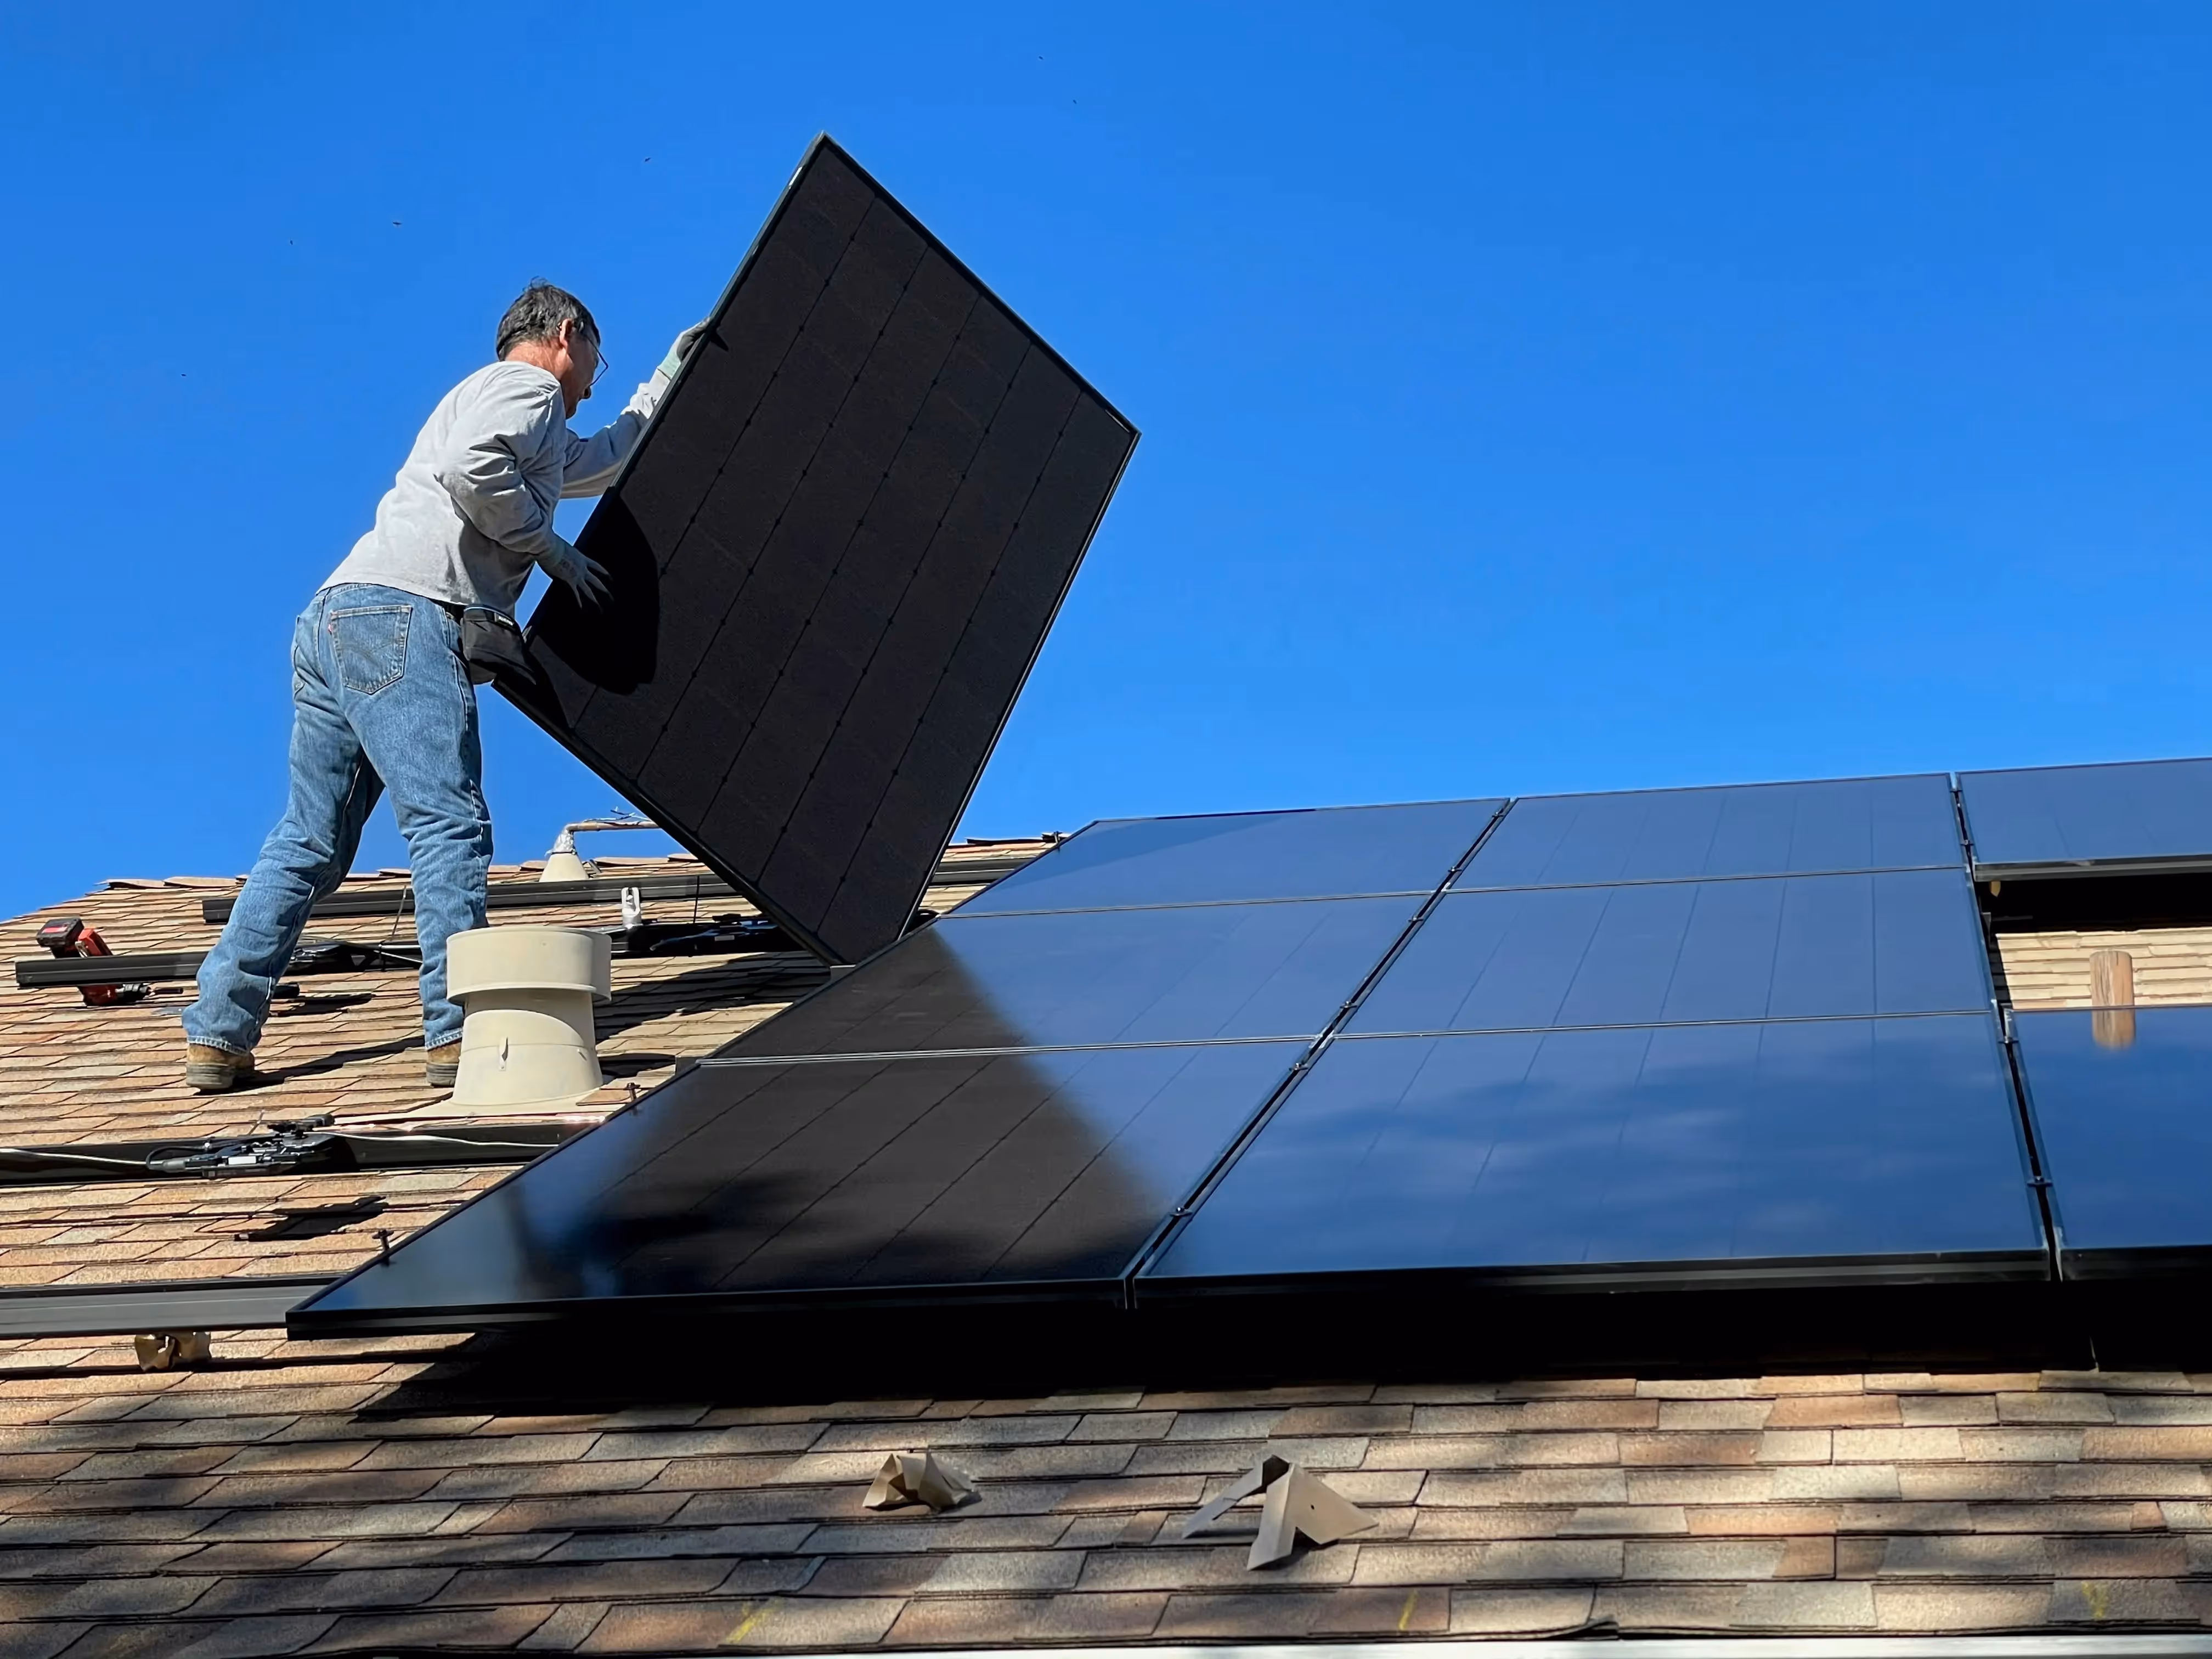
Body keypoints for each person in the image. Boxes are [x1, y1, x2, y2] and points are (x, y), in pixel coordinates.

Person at [182, 283, 703, 1093]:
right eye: (600, 357)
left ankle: (218, 1030)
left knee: (309, 842)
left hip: (335, 619)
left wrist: (669, 377)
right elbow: (473, 471)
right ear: (568, 335)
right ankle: (457, 1036)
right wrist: (551, 553)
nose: (598, 377)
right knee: (448, 823)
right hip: (406, 615)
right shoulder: (526, 389)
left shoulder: (498, 404)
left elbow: (598, 462)